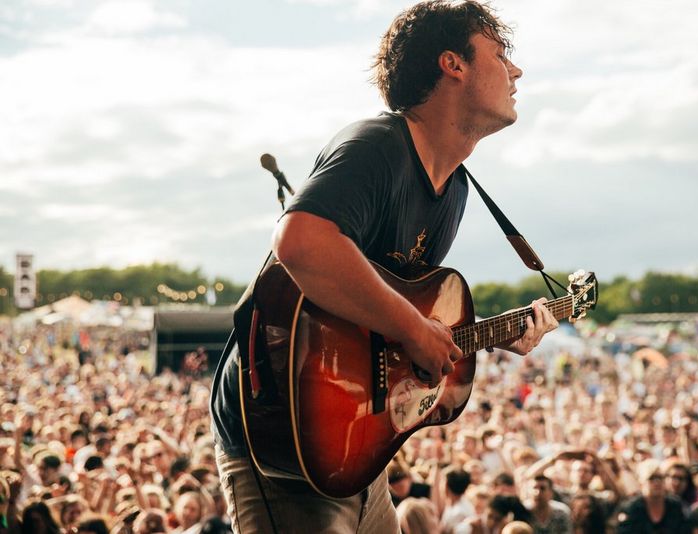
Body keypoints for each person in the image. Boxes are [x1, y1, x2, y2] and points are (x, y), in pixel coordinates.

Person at [210, 1, 558, 533]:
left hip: (352, 443)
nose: (517, 70)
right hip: (282, 433)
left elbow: (389, 315)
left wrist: (484, 335)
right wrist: (414, 328)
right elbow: (300, 241)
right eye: (501, 52)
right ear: (452, 64)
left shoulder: (454, 189)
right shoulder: (377, 147)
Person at [616, 463, 687, 534]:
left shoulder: (675, 505)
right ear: (641, 482)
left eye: (660, 477)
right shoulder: (630, 508)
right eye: (651, 478)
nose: (657, 482)